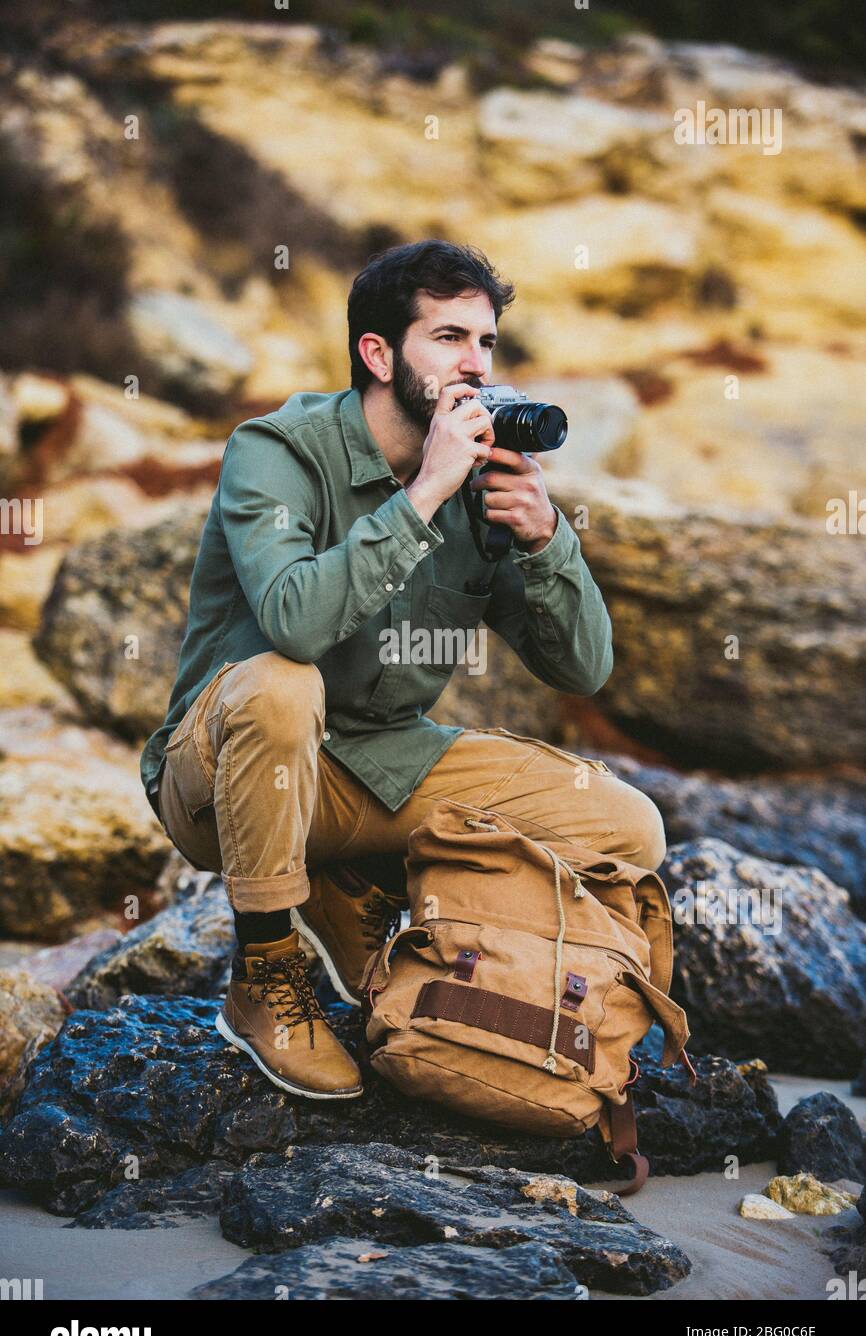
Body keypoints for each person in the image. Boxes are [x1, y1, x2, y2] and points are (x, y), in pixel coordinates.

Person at [140, 239, 665, 1101]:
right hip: (226, 778)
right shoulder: (276, 452)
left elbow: (583, 670)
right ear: (377, 354)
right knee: (282, 683)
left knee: (625, 825)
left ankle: (437, 954)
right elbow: (295, 624)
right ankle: (266, 976)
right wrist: (420, 496)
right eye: (450, 339)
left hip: (378, 766)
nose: (476, 366)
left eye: (488, 343)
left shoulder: (483, 477)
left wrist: (546, 541)